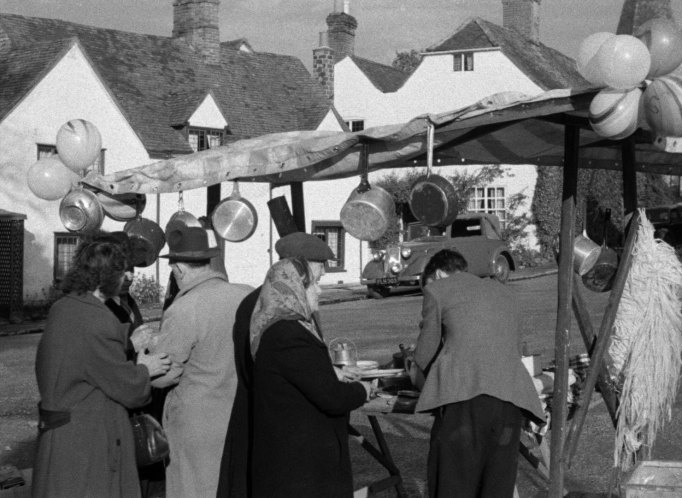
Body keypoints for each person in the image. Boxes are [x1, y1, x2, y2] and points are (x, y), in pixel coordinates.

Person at [32, 239, 171, 498]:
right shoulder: (98, 320)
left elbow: (83, 356)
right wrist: (144, 369)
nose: (127, 276)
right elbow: (129, 390)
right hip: (86, 441)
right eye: (121, 271)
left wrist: (125, 340)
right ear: (106, 276)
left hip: (60, 436)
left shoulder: (64, 307)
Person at [411, 249, 545, 498]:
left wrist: (414, 370)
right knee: (496, 489)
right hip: (510, 402)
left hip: (465, 404)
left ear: (439, 274)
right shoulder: (506, 293)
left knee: (453, 486)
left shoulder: (438, 289)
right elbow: (514, 349)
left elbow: (424, 355)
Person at [216, 231, 338, 498]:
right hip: (276, 411)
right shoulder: (270, 302)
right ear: (298, 265)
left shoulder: (280, 299)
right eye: (319, 265)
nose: (323, 274)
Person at [250, 256, 372, 498]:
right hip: (299, 466)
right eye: (313, 284)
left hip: (292, 458)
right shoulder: (288, 334)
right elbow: (331, 397)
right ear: (294, 289)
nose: (319, 290)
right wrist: (363, 390)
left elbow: (306, 380)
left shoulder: (281, 327)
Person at [150, 225, 253, 498]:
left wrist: (147, 353)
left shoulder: (184, 309)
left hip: (197, 425)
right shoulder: (247, 295)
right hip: (242, 415)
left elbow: (163, 374)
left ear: (179, 269)